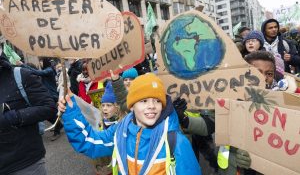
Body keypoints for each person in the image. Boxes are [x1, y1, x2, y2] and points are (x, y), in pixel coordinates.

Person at [59, 73, 202, 174]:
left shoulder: (175, 141)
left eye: (157, 101)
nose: (152, 106)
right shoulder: (120, 131)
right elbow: (89, 142)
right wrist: (71, 112)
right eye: (144, 101)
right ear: (131, 106)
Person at [0, 52, 57, 174]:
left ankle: (57, 129)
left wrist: (13, 117)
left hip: (25, 164)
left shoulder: (20, 75)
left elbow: (49, 107)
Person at [19, 57, 62, 141]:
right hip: (47, 94)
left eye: (41, 62)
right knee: (50, 114)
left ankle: (57, 129)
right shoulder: (47, 70)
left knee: (50, 113)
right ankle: (58, 125)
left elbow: (38, 72)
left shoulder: (49, 70)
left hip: (51, 95)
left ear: (45, 62)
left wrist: (22, 65)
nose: (40, 63)